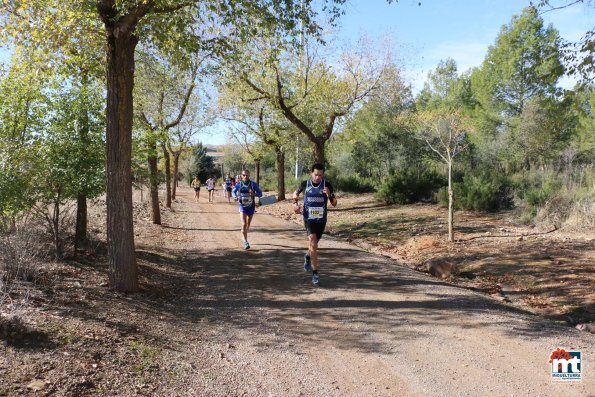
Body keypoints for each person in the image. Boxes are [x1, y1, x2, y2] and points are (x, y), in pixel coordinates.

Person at [293, 163, 337, 286]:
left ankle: (307, 257)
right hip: (309, 219)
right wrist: (295, 204)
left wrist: (330, 195)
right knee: (313, 243)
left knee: (314, 246)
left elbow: (334, 203)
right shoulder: (305, 184)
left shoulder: (327, 185)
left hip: (321, 220)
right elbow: (295, 194)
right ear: (311, 173)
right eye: (316, 174)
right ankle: (315, 273)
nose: (318, 177)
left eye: (320, 175)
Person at [232, 170, 263, 249]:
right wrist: (235, 197)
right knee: (244, 224)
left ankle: (244, 233)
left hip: (251, 207)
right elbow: (233, 191)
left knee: (248, 225)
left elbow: (260, 194)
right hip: (242, 206)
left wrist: (254, 194)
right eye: (244, 175)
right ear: (241, 176)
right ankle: (245, 242)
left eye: (247, 175)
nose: (245, 176)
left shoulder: (253, 184)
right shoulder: (239, 184)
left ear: (249, 176)